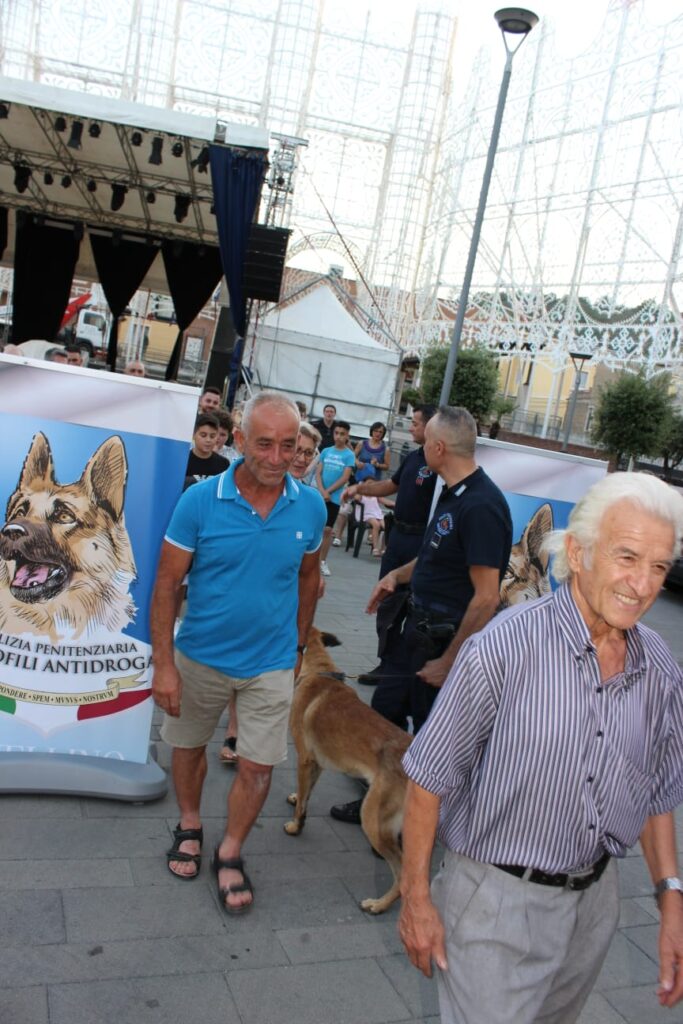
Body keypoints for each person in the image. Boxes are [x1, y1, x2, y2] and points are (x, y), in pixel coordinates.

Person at [400, 471, 683, 1023]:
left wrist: (670, 896)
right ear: (577, 553)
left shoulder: (660, 668)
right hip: (495, 904)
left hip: (595, 904)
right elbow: (427, 780)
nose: (642, 585)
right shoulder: (502, 648)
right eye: (627, 557)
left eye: (658, 567)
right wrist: (416, 899)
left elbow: (656, 790)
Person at [151, 392, 326, 912]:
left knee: (259, 767)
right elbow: (166, 584)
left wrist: (298, 645)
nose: (277, 458)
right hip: (200, 656)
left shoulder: (310, 506)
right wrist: (164, 665)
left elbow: (309, 579)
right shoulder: (200, 501)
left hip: (271, 662)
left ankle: (230, 851)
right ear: (241, 439)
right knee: (188, 748)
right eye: (265, 444)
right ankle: (189, 823)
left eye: (289, 446)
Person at [219, 419, 323, 765]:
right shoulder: (252, 490)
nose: (301, 458)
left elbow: (312, 562)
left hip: (286, 604)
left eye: (309, 453)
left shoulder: (311, 503)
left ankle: (257, 734)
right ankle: (234, 727)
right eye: (298, 449)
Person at [332, 421, 389, 547]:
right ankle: (338, 535)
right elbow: (352, 456)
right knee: (345, 508)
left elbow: (387, 466)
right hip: (357, 481)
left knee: (372, 508)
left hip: (373, 483)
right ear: (371, 431)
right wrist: (357, 463)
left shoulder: (385, 449)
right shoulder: (362, 443)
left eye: (380, 432)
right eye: (376, 431)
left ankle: (371, 536)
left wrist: (378, 465)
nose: (378, 434)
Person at [315, 420, 356, 577]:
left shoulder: (349, 455)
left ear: (347, 435)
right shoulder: (326, 451)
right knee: (314, 527)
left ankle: (322, 561)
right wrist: (321, 490)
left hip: (333, 498)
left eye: (342, 434)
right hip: (320, 495)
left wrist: (328, 492)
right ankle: (309, 559)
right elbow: (318, 473)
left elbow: (345, 477)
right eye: (336, 433)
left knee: (327, 530)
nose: (338, 437)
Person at [185, 413, 230, 484]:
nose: (208, 440)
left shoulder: (224, 464)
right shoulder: (184, 461)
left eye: (212, 436)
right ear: (193, 435)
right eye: (203, 435)